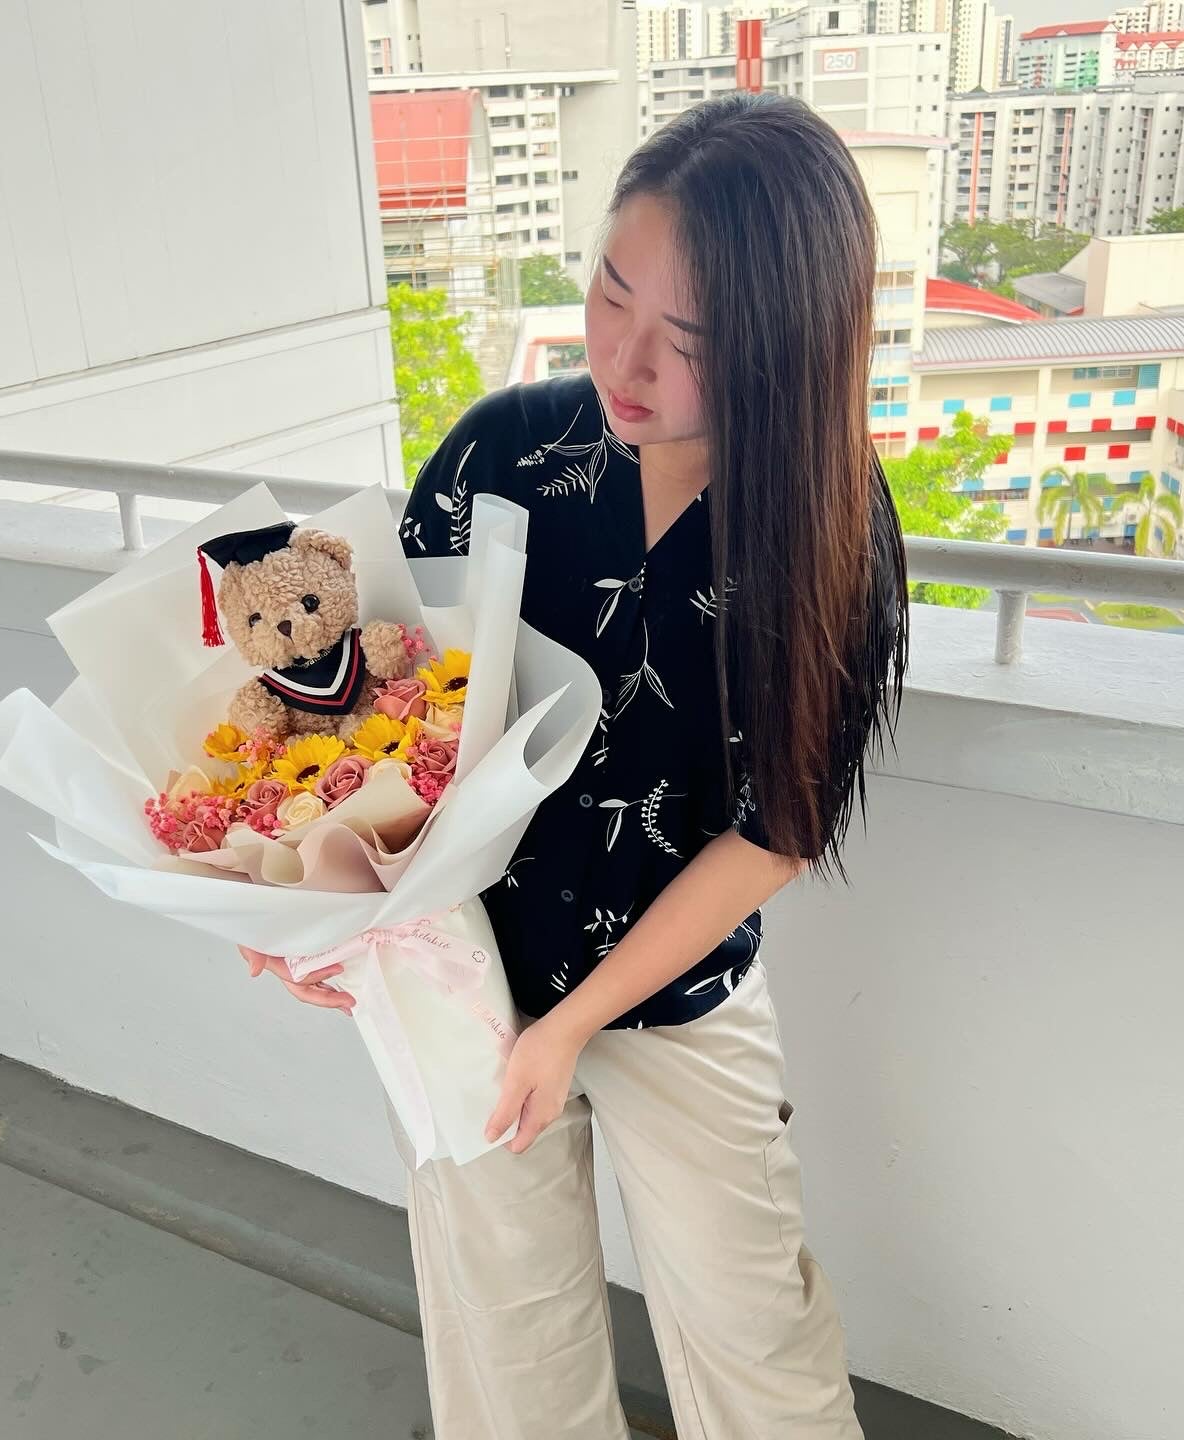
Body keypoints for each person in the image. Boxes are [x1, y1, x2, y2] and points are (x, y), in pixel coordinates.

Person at [245, 92, 908, 1439]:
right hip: (467, 975)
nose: (627, 360)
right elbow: (372, 708)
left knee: (755, 1340)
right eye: (611, 293)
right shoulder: (504, 452)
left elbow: (774, 831)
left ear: (783, 356)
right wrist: (319, 914)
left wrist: (575, 1021)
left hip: (674, 987)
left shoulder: (830, 534)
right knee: (511, 1344)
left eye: (691, 341)